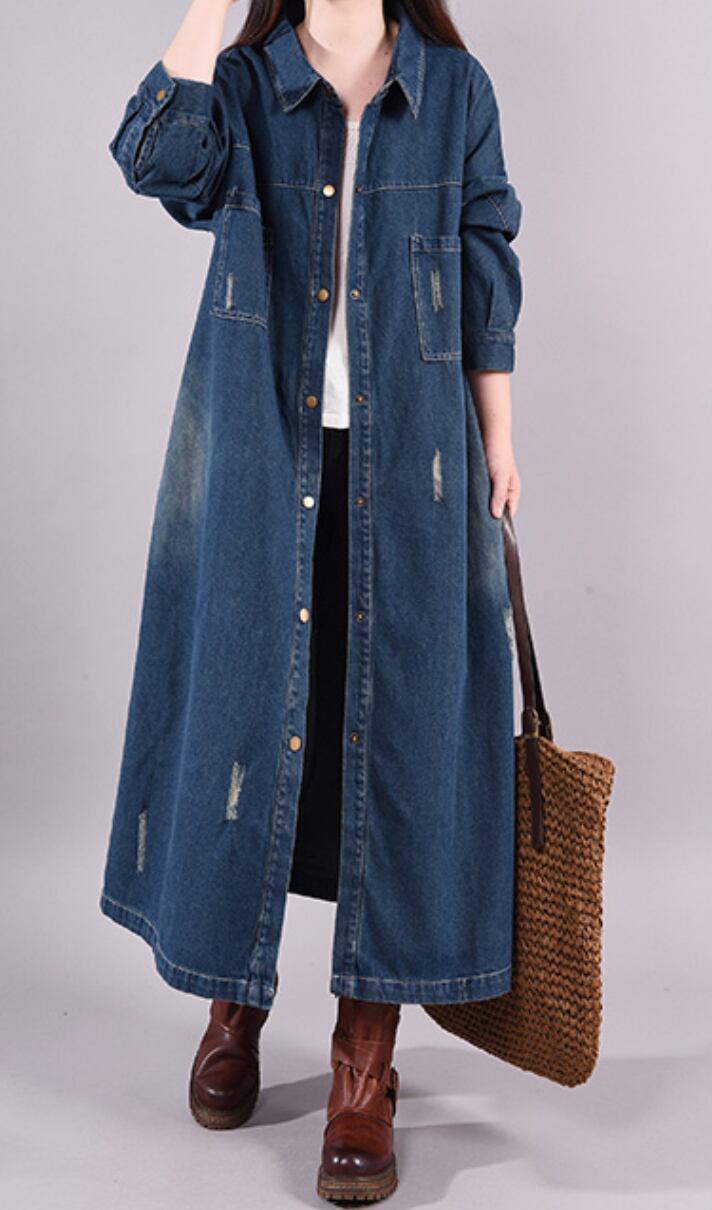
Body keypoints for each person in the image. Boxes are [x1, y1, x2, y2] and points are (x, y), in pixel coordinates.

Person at [101, 0, 523, 1201]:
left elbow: (485, 252)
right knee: (243, 714)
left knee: (390, 740)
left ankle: (362, 1059)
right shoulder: (243, 82)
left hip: (415, 462)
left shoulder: (454, 89)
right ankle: (231, 1004)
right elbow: (152, 158)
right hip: (259, 453)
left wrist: (499, 440)